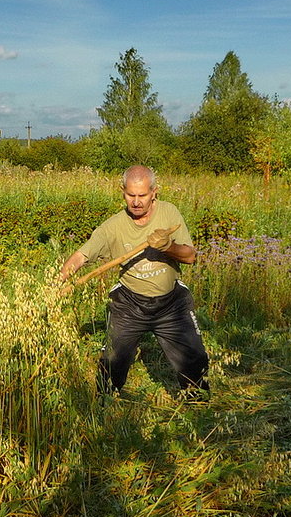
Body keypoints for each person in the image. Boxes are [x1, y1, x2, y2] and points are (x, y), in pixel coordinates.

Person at [59, 165, 209, 399]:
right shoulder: (114, 225)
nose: (136, 202)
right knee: (113, 360)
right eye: (131, 195)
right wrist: (58, 282)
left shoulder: (169, 213)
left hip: (171, 303)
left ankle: (198, 405)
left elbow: (190, 256)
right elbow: (81, 256)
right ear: (123, 192)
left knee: (194, 358)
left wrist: (167, 247)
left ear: (154, 192)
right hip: (129, 304)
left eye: (142, 195)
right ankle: (106, 404)